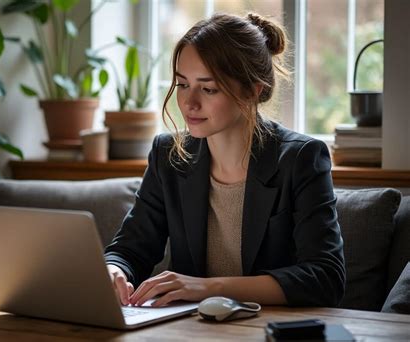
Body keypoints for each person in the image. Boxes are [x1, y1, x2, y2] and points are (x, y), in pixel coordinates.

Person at [104, 12, 345, 308]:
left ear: (252, 91)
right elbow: (130, 249)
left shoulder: (301, 158)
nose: (189, 103)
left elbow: (325, 277)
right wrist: (112, 270)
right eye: (182, 85)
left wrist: (207, 288)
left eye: (208, 88)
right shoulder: (169, 155)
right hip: (190, 331)